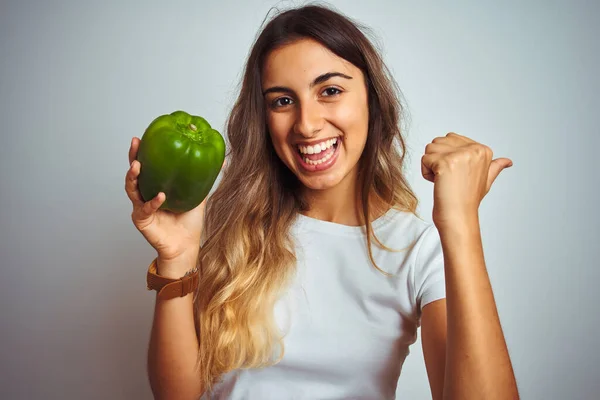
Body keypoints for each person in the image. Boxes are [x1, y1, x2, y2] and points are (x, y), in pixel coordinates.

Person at [125, 4, 519, 400]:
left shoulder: (416, 250)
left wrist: (461, 221)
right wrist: (176, 260)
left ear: (372, 99)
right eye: (282, 101)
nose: (307, 123)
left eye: (330, 91)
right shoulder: (224, 222)